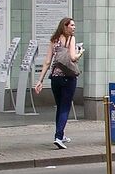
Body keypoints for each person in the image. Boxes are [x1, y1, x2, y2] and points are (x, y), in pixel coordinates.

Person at [34, 17, 84, 149]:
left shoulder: (54, 40)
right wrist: (80, 53)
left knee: (60, 106)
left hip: (55, 78)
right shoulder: (71, 39)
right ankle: (58, 136)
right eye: (72, 25)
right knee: (65, 107)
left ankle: (60, 135)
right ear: (65, 26)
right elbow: (73, 57)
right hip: (68, 77)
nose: (74, 27)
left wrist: (40, 81)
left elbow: (47, 62)